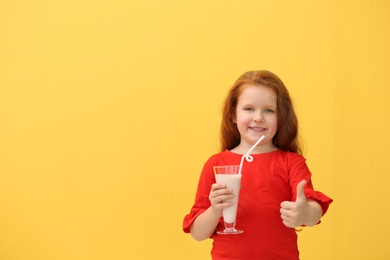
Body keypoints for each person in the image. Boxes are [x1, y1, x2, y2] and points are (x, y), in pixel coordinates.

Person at [182, 70, 333, 259]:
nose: (259, 117)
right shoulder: (216, 164)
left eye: (269, 110)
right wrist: (215, 209)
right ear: (233, 115)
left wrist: (306, 213)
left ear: (280, 118)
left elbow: (312, 209)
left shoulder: (291, 162)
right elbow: (198, 233)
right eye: (249, 109)